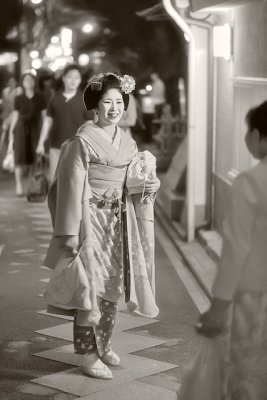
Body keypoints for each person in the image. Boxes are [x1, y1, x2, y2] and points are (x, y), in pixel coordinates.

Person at [44, 72, 161, 381]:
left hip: (117, 221)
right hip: (88, 220)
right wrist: (68, 232)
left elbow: (133, 183)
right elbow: (70, 187)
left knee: (111, 288)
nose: (114, 108)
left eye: (119, 102)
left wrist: (147, 179)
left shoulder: (128, 142)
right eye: (107, 102)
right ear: (94, 106)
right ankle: (86, 353)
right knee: (88, 287)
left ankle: (104, 342)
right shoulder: (82, 141)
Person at [198, 101, 267, 399]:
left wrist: (218, 307)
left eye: (248, 131)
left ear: (259, 137)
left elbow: (237, 250)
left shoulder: (251, 182)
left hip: (255, 297)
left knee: (247, 375)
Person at [36, 64, 92, 183]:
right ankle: (55, 202)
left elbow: (89, 124)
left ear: (80, 80)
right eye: (70, 77)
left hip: (77, 148)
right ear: (64, 78)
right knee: (55, 180)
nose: (73, 81)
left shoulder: (84, 99)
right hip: (56, 146)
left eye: (76, 77)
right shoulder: (55, 98)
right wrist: (40, 143)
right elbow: (47, 122)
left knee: (75, 181)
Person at [8, 71, 46, 196]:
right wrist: (11, 133)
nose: (28, 82)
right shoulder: (18, 98)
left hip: (36, 130)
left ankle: (31, 184)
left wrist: (45, 135)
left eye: (30, 79)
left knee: (33, 159)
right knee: (19, 158)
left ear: (34, 82)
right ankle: (18, 186)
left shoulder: (40, 97)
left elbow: (44, 116)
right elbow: (15, 115)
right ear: (22, 83)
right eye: (26, 80)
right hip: (20, 130)